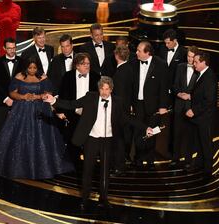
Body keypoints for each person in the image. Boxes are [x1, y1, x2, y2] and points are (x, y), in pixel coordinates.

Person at [43, 76, 152, 209]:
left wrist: (146, 127)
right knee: (88, 169)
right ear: (99, 89)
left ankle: (104, 198)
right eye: (102, 89)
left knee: (105, 171)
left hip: (107, 140)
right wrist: (54, 100)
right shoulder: (90, 97)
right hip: (92, 139)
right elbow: (72, 104)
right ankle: (85, 199)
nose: (104, 92)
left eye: (107, 89)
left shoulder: (118, 102)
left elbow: (128, 119)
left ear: (111, 89)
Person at [0, 57, 74, 179]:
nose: (32, 70)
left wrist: (37, 97)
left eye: (34, 68)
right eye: (30, 68)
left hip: (41, 111)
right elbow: (12, 93)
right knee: (18, 137)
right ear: (25, 67)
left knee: (43, 140)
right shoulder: (19, 76)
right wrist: (23, 96)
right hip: (21, 110)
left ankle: (43, 167)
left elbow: (49, 93)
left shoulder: (43, 77)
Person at [58, 53, 100, 167]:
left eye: (88, 63)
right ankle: (73, 165)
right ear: (77, 65)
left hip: (89, 115)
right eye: (83, 64)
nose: (87, 66)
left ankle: (89, 165)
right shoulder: (68, 76)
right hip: (73, 114)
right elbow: (63, 95)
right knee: (73, 140)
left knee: (90, 141)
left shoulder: (96, 77)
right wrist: (61, 111)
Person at [132, 41, 169, 167]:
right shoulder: (134, 62)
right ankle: (138, 158)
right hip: (137, 103)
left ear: (147, 53)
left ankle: (150, 158)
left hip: (153, 105)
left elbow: (164, 87)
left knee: (152, 132)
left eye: (139, 51)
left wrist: (163, 106)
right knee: (138, 130)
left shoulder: (161, 64)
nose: (136, 52)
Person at [185, 51, 217, 176]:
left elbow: (209, 100)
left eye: (196, 62)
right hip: (200, 117)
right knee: (199, 143)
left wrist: (194, 110)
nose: (194, 64)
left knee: (206, 144)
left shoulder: (209, 76)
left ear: (204, 62)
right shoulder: (202, 74)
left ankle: (207, 170)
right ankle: (199, 165)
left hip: (205, 118)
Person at [171, 46, 199, 167]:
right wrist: (179, 94)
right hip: (179, 105)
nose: (189, 59)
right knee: (176, 133)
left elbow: (200, 91)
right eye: (188, 56)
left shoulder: (199, 70)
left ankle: (188, 160)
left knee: (189, 135)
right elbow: (174, 85)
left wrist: (190, 96)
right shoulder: (180, 67)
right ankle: (174, 158)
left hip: (192, 107)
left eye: (192, 57)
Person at [0, 37, 23, 142]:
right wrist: (6, 99)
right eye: (9, 48)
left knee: (17, 131)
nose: (12, 50)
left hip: (19, 102)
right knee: (0, 131)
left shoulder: (23, 62)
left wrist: (16, 98)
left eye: (14, 48)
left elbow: (25, 82)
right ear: (4, 48)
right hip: (2, 102)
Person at [112, 45, 135, 171]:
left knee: (119, 138)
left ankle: (118, 165)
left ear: (116, 56)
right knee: (124, 136)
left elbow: (119, 95)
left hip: (120, 111)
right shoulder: (129, 69)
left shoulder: (120, 72)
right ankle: (122, 162)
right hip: (127, 108)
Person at [159, 29, 187, 95]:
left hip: (176, 88)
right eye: (165, 43)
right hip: (163, 86)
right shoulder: (162, 49)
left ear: (175, 40)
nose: (166, 45)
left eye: (168, 43)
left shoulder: (183, 52)